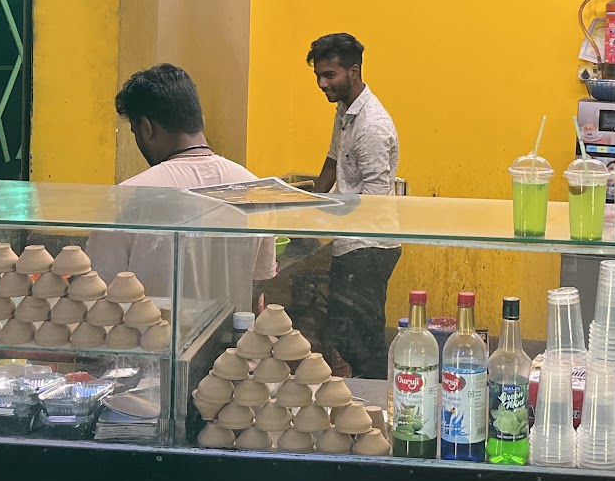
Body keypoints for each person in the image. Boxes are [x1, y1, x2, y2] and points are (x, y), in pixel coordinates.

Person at [88, 64, 274, 312]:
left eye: (135, 132)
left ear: (146, 128)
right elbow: (257, 291)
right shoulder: (255, 189)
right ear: (199, 120)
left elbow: (98, 292)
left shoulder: (126, 197)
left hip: (150, 334)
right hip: (228, 336)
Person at [308, 32, 401, 379]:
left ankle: (375, 400)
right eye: (318, 75)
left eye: (329, 75)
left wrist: (326, 214)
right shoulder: (345, 110)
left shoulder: (372, 126)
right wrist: (308, 203)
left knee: (363, 343)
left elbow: (373, 203)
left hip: (369, 246)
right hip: (352, 240)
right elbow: (332, 161)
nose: (322, 83)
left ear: (354, 71)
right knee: (343, 336)